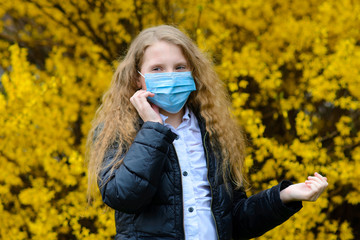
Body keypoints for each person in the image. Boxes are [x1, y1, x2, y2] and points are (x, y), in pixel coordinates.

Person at [86, 25, 328, 240]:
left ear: (192, 72)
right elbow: (123, 197)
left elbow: (234, 222)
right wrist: (154, 129)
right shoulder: (119, 131)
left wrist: (284, 196)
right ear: (138, 78)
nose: (170, 76)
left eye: (180, 67)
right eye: (157, 69)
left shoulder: (214, 132)